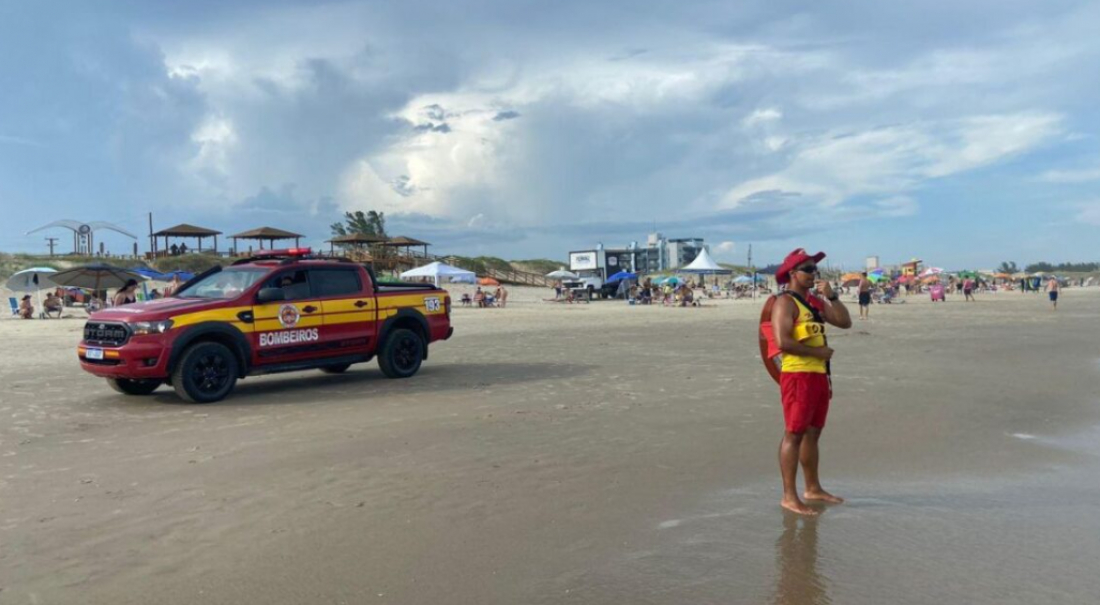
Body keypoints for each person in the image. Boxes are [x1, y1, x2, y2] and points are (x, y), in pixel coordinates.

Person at [771, 248, 852, 515]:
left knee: (813, 433)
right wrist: (817, 353)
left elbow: (844, 322)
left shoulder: (815, 303)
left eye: (814, 269)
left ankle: (812, 488)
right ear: (792, 273)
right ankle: (789, 496)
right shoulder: (785, 302)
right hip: (797, 376)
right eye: (807, 269)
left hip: (819, 376)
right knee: (793, 434)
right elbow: (783, 342)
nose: (813, 274)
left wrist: (833, 296)